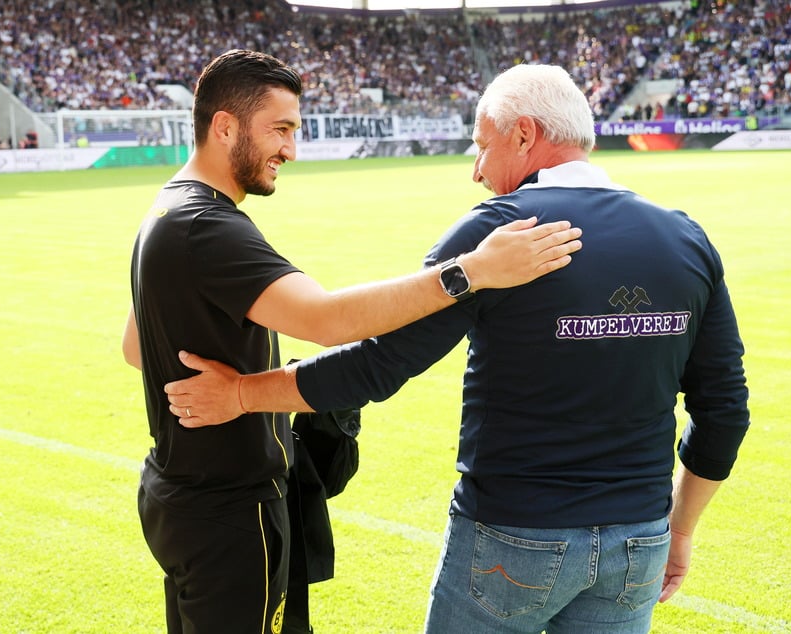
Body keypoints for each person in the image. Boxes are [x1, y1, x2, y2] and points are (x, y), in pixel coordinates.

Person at [164, 63, 750, 634]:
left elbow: (375, 366)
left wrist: (243, 394)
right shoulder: (685, 237)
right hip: (639, 540)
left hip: (512, 535)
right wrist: (681, 528)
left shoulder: (496, 236)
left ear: (524, 134)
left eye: (481, 146)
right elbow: (724, 409)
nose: (476, 170)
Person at [122, 51, 583, 634]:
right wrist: (471, 271)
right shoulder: (208, 226)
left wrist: (236, 373)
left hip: (177, 496)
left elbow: (138, 348)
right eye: (281, 129)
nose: (291, 149)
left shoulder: (165, 210)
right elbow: (328, 319)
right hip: (228, 506)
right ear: (225, 126)